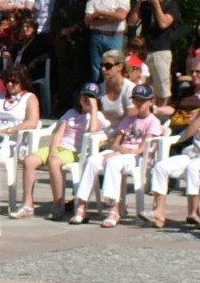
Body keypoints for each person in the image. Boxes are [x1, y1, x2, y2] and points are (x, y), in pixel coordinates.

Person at [143, 75, 200, 227]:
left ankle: (194, 212)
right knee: (160, 166)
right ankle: (159, 212)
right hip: (193, 154)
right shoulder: (198, 116)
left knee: (194, 166)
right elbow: (187, 134)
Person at [70, 83, 164, 227]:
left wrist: (119, 153)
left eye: (142, 100)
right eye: (136, 99)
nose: (139, 103)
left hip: (137, 157)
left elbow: (142, 149)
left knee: (113, 163)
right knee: (93, 160)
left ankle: (114, 208)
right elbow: (115, 143)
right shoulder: (129, 119)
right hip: (121, 151)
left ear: (151, 101)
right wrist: (116, 151)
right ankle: (82, 205)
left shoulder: (153, 122)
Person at [18, 83, 106, 219]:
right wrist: (53, 149)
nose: (87, 99)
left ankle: (58, 204)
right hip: (60, 147)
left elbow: (93, 131)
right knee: (29, 160)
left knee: (54, 163)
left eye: (91, 97)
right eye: (84, 96)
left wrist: (93, 109)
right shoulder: (71, 113)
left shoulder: (97, 116)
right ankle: (27, 204)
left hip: (76, 151)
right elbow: (59, 133)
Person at [0, 66, 41, 215]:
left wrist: (8, 131)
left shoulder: (29, 98)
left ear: (23, 82)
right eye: (7, 81)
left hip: (14, 140)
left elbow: (32, 122)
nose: (9, 84)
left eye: (14, 82)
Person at [137, 0, 182, 103]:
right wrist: (140, 1)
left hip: (161, 50)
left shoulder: (171, 5)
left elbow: (163, 23)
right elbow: (131, 21)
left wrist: (156, 3)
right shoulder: (146, 5)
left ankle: (162, 116)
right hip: (144, 51)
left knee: (162, 89)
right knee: (143, 89)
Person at [85, 0, 131, 82]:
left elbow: (121, 16)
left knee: (113, 68)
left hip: (114, 36)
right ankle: (98, 96)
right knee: (96, 69)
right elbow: (87, 20)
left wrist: (99, 13)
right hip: (97, 36)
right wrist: (111, 16)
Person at [51, 0, 89, 108]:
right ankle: (63, 106)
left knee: (78, 74)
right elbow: (54, 18)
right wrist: (60, 31)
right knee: (64, 75)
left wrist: (73, 29)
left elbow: (86, 19)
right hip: (63, 44)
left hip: (80, 43)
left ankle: (63, 98)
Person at [96, 49, 135, 131]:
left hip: (123, 133)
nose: (103, 69)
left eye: (108, 66)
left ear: (120, 67)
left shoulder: (130, 89)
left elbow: (130, 122)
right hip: (102, 132)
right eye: (102, 65)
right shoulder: (100, 88)